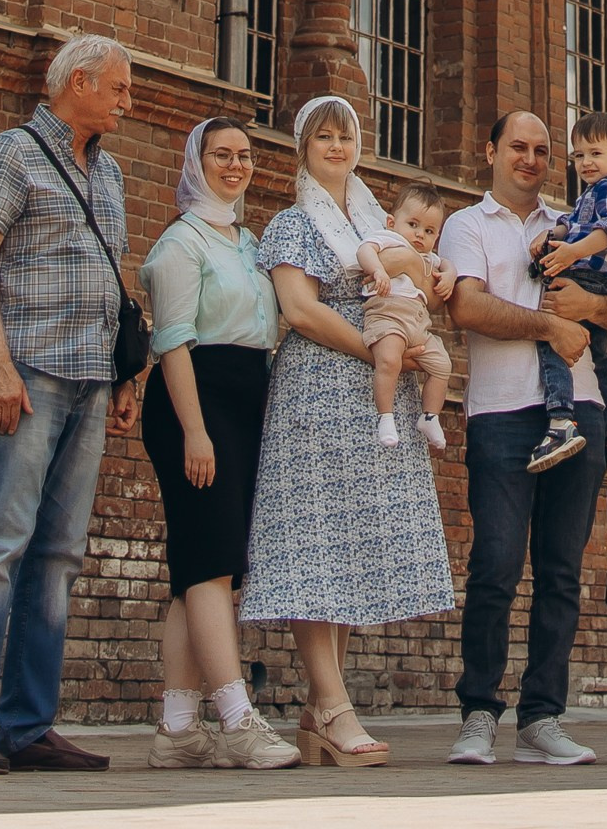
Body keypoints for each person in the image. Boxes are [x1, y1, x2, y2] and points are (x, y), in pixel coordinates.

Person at [0, 35, 140, 778]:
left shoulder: (111, 172)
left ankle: (28, 726)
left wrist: (125, 380)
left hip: (90, 384)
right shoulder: (12, 153)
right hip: (27, 378)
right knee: (0, 549)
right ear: (78, 83)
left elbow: (114, 284)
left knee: (58, 557)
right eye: (118, 88)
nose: (128, 101)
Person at [239, 95, 454, 764]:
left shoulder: (380, 223)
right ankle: (332, 706)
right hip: (317, 390)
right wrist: (379, 349)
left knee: (353, 547)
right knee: (317, 543)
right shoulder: (290, 223)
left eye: (345, 136)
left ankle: (319, 709)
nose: (336, 146)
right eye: (322, 136)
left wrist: (426, 290)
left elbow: (418, 279)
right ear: (302, 146)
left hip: (373, 400)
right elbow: (300, 311)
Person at [442, 111, 607, 768]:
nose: (531, 158)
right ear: (490, 149)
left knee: (562, 573)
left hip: (579, 410)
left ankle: (542, 718)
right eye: (518, 147)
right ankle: (477, 713)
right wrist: (550, 328)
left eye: (542, 150)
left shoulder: (572, 220)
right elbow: (467, 307)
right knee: (496, 566)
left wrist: (590, 310)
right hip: (500, 414)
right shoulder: (466, 226)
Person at [138, 118, 298, 771]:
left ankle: (178, 728)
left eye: (244, 155)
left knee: (200, 565)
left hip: (243, 397)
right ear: (195, 161)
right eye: (220, 155)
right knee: (212, 562)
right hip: (192, 400)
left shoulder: (248, 242)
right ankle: (235, 716)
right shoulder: (180, 243)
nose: (234, 165)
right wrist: (196, 429)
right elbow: (172, 340)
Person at [527, 109, 607, 481]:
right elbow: (573, 223)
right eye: (579, 155)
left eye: (595, 153)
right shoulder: (593, 191)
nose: (586, 162)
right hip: (600, 284)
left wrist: (572, 252)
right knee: (603, 359)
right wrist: (553, 235)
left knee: (551, 339)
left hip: (587, 280)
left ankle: (560, 419)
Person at [357, 184, 457, 448]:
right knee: (389, 360)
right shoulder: (390, 239)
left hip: (418, 325)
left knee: (442, 365)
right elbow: (364, 251)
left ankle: (430, 416)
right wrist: (378, 270)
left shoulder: (429, 258)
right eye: (413, 224)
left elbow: (447, 265)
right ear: (392, 222)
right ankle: (386, 417)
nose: (419, 235)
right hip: (387, 315)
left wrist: (450, 276)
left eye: (429, 231)